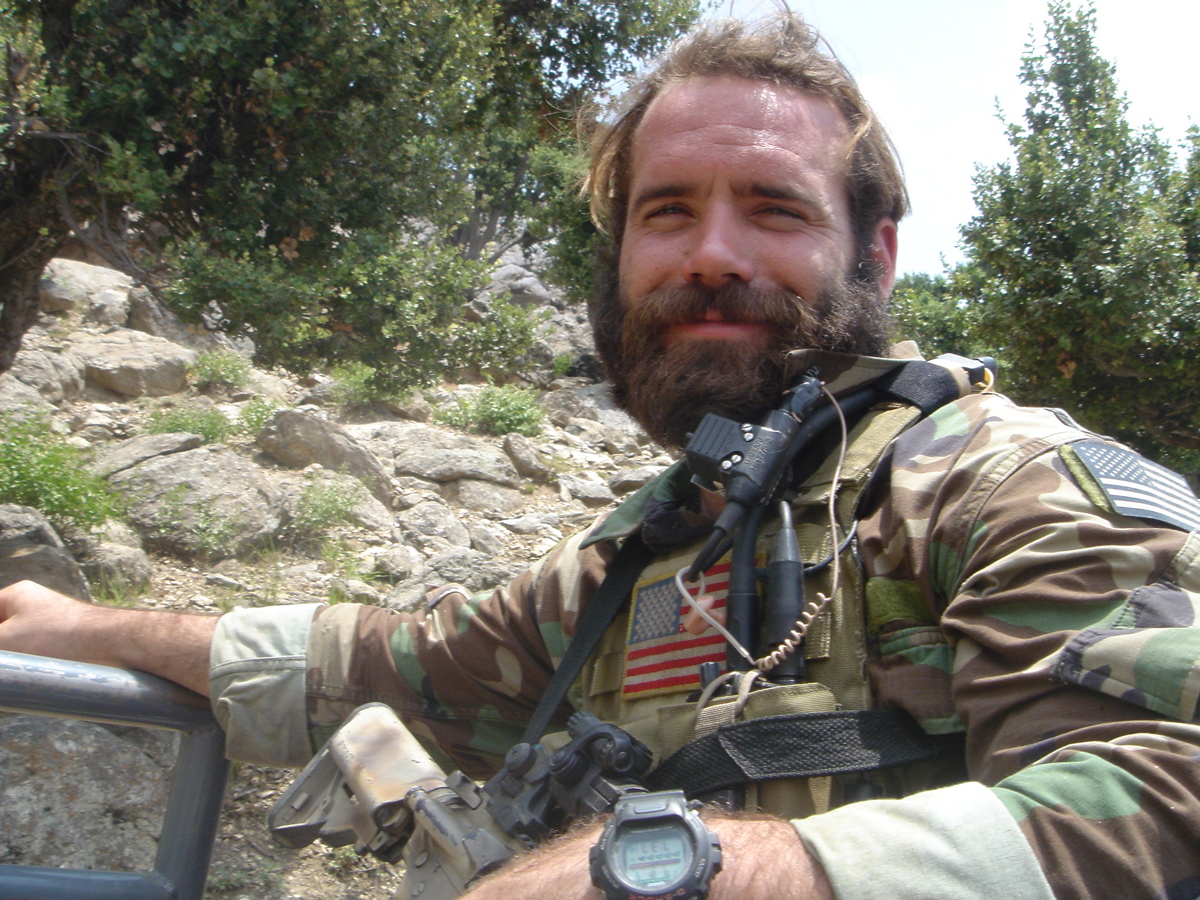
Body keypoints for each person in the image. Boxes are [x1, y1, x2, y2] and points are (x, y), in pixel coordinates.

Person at [4, 12, 1200, 900]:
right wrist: (81, 627)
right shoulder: (650, 542)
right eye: (666, 211)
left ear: (874, 256)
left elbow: (1164, 791)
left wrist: (665, 871)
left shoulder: (1003, 480)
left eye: (775, 208)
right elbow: (407, 662)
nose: (710, 254)